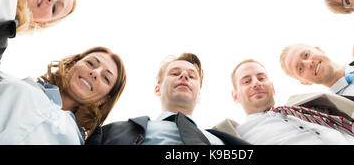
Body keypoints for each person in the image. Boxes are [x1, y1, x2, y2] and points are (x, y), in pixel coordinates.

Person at [86, 53, 248, 145]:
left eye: (192, 76)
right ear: (158, 89)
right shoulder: (110, 132)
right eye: (175, 73)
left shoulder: (226, 143)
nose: (184, 75)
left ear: (198, 95)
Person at [0, 46, 127, 144]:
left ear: (103, 100)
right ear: (71, 65)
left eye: (106, 78)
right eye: (91, 63)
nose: (95, 73)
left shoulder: (73, 140)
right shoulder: (12, 83)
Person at [222, 59, 354, 144]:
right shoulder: (238, 137)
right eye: (246, 81)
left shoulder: (310, 108)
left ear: (272, 87)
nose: (256, 83)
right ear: (235, 96)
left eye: (261, 78)